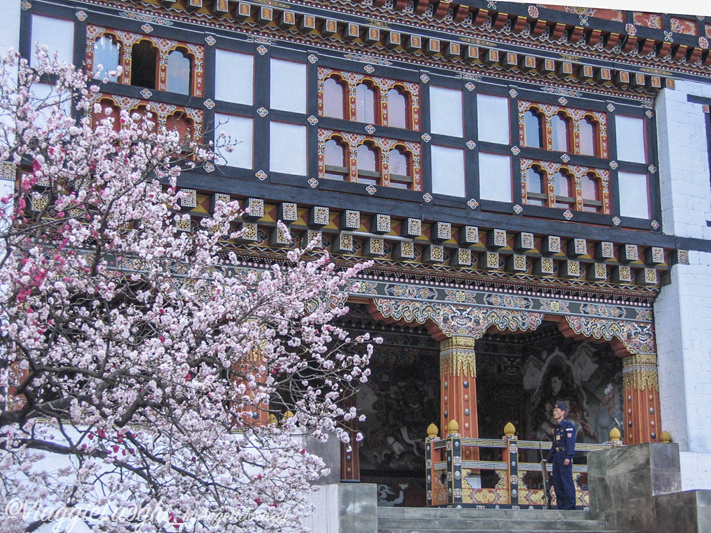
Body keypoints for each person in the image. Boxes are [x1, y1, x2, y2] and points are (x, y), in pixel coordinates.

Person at [543, 402, 576, 510]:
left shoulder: (568, 426)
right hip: (557, 456)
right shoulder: (556, 428)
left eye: (557, 411)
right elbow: (554, 445)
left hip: (564, 455)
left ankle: (570, 505)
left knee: (566, 481)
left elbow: (570, 443)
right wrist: (548, 459)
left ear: (563, 412)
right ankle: (561, 505)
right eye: (554, 411)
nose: (555, 412)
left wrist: (569, 456)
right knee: (557, 482)